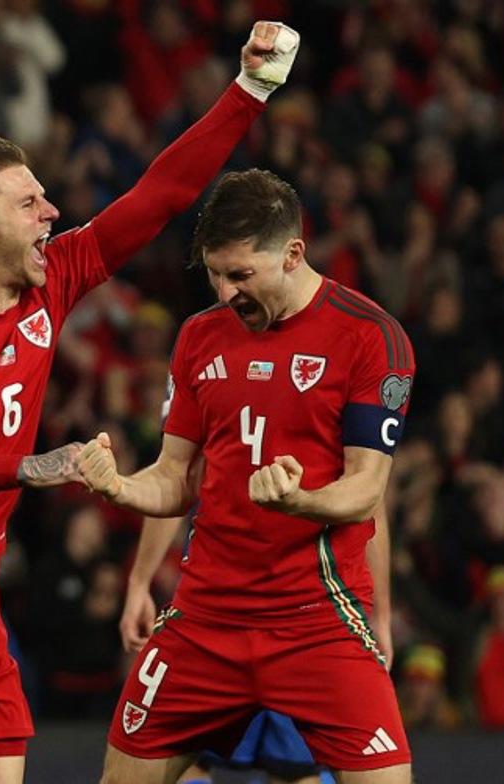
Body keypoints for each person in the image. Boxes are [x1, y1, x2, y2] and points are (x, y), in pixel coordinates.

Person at [0, 21, 301, 784]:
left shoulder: (54, 281)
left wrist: (251, 90)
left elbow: (162, 194)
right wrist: (24, 469)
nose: (51, 212)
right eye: (29, 203)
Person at [76, 167, 415, 784]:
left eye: (240, 275)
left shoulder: (372, 338)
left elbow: (368, 490)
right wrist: (118, 486)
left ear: (293, 254)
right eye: (214, 273)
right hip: (204, 620)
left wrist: (300, 500)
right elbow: (175, 479)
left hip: (318, 620)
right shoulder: (199, 338)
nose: (226, 291)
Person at [118, 507, 396, 784]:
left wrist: (381, 615)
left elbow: (370, 503)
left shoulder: (346, 464)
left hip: (305, 625)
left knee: (296, 771)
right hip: (218, 618)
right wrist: (139, 582)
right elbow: (173, 480)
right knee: (190, 760)